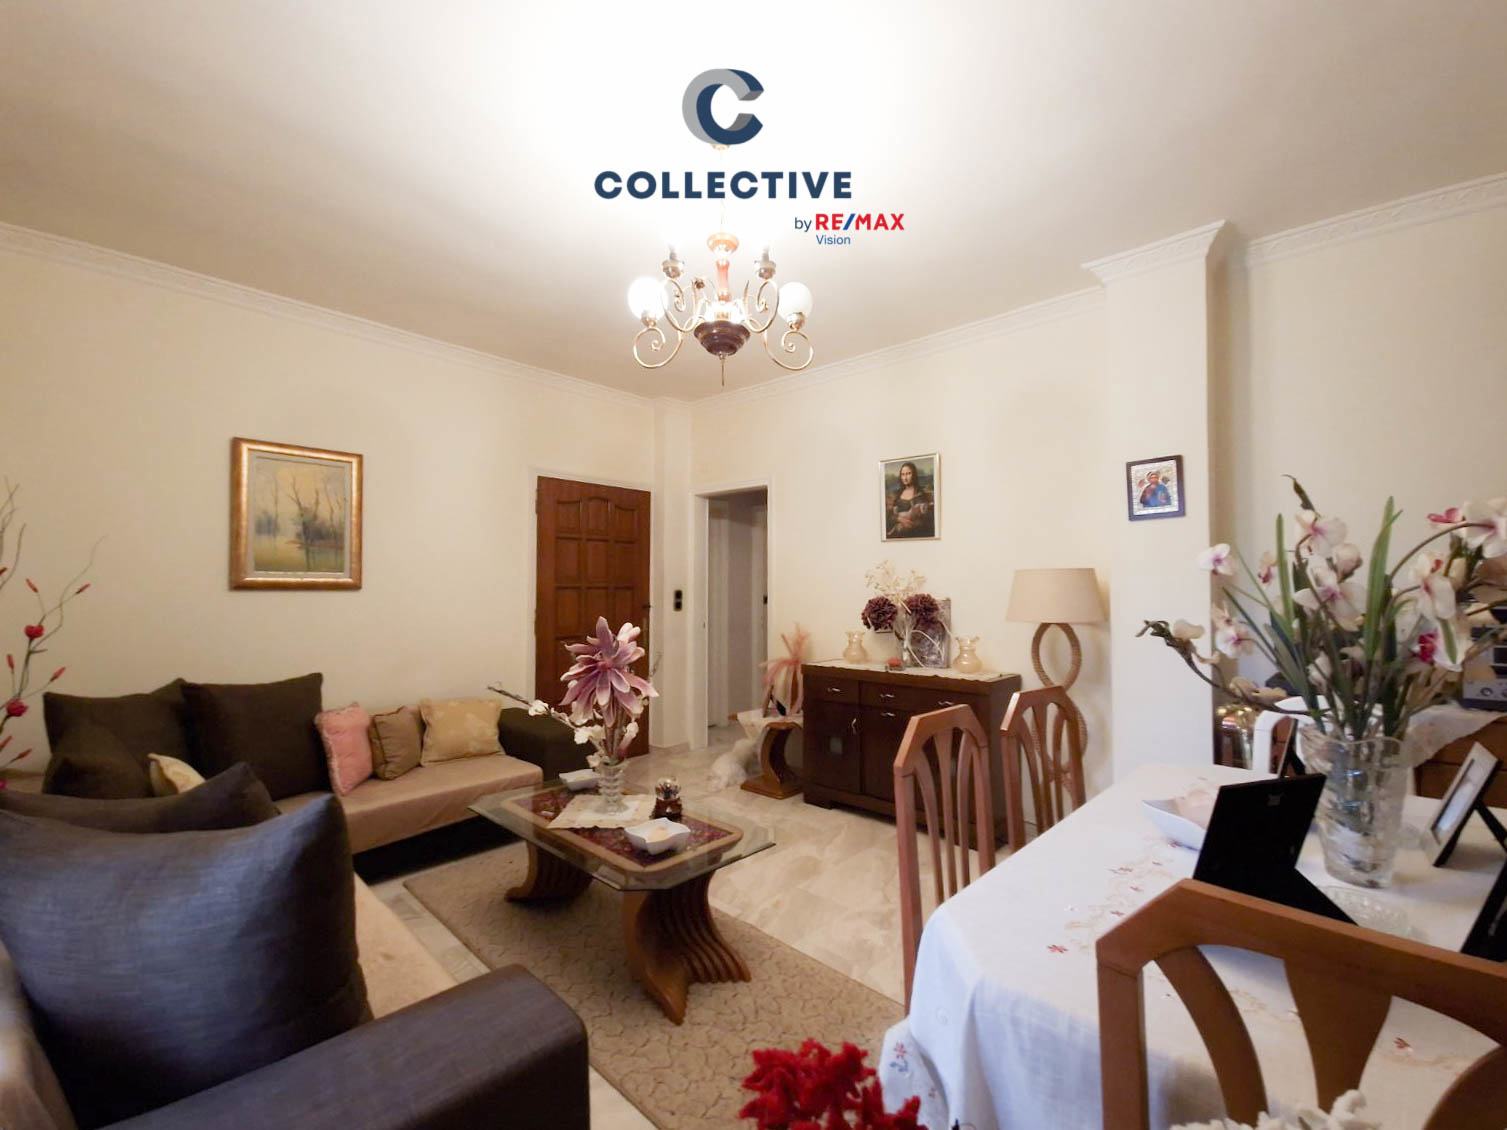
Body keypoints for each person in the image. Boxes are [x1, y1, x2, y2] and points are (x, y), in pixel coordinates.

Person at [886, 461, 935, 538]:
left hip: (919, 534)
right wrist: (898, 519)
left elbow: (930, 518)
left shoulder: (922, 494)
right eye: (903, 474)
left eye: (908, 474)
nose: (905, 478)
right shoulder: (896, 495)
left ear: (914, 475)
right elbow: (888, 517)